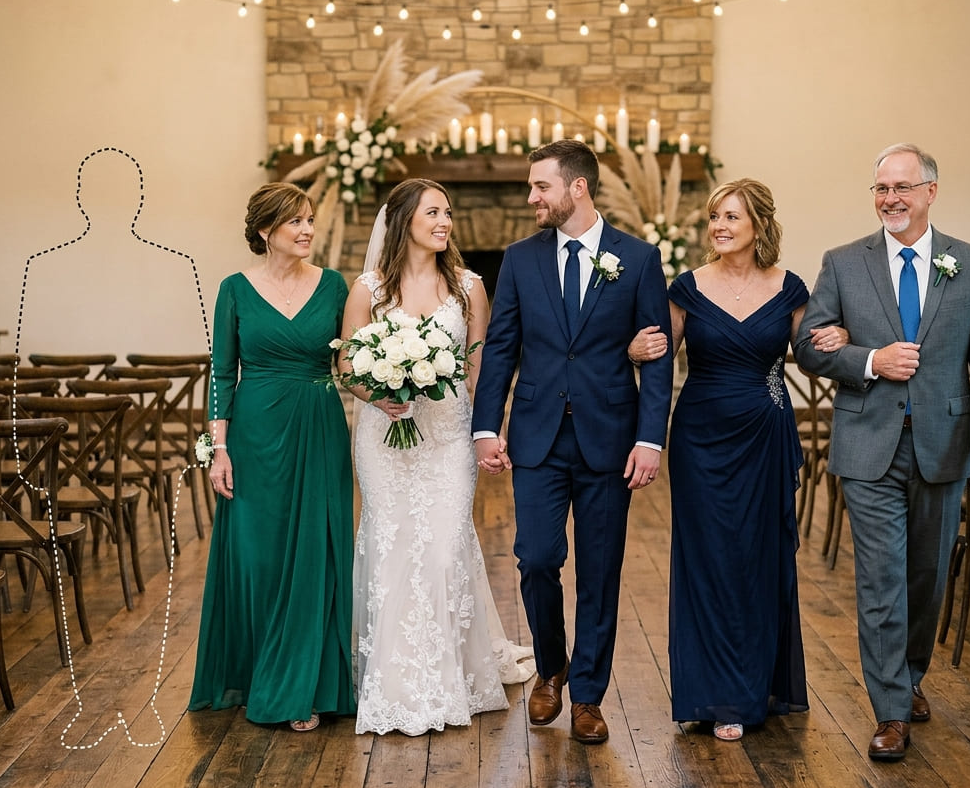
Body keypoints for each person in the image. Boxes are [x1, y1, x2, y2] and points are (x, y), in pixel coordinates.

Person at [794, 143, 970, 761]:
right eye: (881, 189)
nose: (891, 199)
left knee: (927, 578)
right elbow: (809, 348)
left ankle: (911, 674)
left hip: (945, 445)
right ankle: (890, 710)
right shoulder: (843, 262)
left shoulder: (968, 264)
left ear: (930, 192)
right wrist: (867, 359)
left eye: (902, 188)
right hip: (868, 446)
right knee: (883, 579)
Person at [472, 140, 675, 745]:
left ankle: (587, 695)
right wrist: (487, 427)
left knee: (601, 572)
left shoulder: (638, 259)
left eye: (541, 186)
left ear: (577, 187)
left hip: (610, 438)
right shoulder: (519, 258)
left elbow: (657, 357)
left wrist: (649, 439)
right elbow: (502, 346)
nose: (531, 197)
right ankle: (551, 667)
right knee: (535, 558)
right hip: (536, 437)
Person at [633, 179, 847, 741]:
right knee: (708, 560)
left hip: (764, 435)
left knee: (757, 559)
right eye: (715, 218)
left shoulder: (789, 287)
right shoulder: (686, 288)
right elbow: (658, 360)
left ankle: (753, 685)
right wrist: (633, 352)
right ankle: (713, 693)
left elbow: (808, 356)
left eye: (732, 217)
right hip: (701, 439)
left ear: (759, 225)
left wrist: (836, 341)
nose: (720, 227)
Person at [340, 178, 535, 737]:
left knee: (446, 548)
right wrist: (380, 393)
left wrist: (487, 431)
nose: (445, 221)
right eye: (433, 212)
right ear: (403, 221)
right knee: (393, 546)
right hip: (384, 439)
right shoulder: (368, 290)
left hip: (447, 438)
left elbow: (481, 368)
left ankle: (448, 677)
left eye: (448, 212)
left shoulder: (470, 286)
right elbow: (349, 366)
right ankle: (395, 682)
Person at [189, 182, 356, 731]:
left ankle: (302, 687)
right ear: (266, 232)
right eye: (296, 223)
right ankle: (259, 669)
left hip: (319, 428)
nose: (308, 230)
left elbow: (352, 365)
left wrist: (393, 391)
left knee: (315, 552)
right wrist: (218, 447)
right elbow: (221, 374)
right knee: (258, 557)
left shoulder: (334, 287)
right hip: (255, 434)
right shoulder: (234, 290)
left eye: (309, 220)